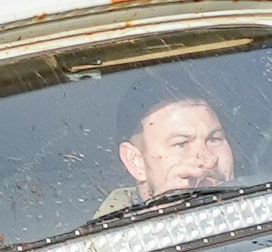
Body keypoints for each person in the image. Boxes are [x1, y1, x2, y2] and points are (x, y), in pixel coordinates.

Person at [94, 82, 235, 218]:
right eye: (181, 144)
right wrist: (160, 220)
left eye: (214, 139)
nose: (208, 159)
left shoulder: (256, 197)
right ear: (136, 162)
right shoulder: (103, 237)